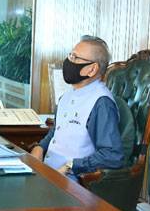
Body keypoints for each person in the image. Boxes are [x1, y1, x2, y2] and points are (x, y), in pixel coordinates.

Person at [30, 35, 124, 179]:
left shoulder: (101, 103)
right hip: (47, 173)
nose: (69, 61)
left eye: (75, 58)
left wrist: (72, 166)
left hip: (73, 183)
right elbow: (58, 131)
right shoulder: (67, 96)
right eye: (70, 55)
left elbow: (112, 154)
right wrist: (40, 147)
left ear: (92, 69)